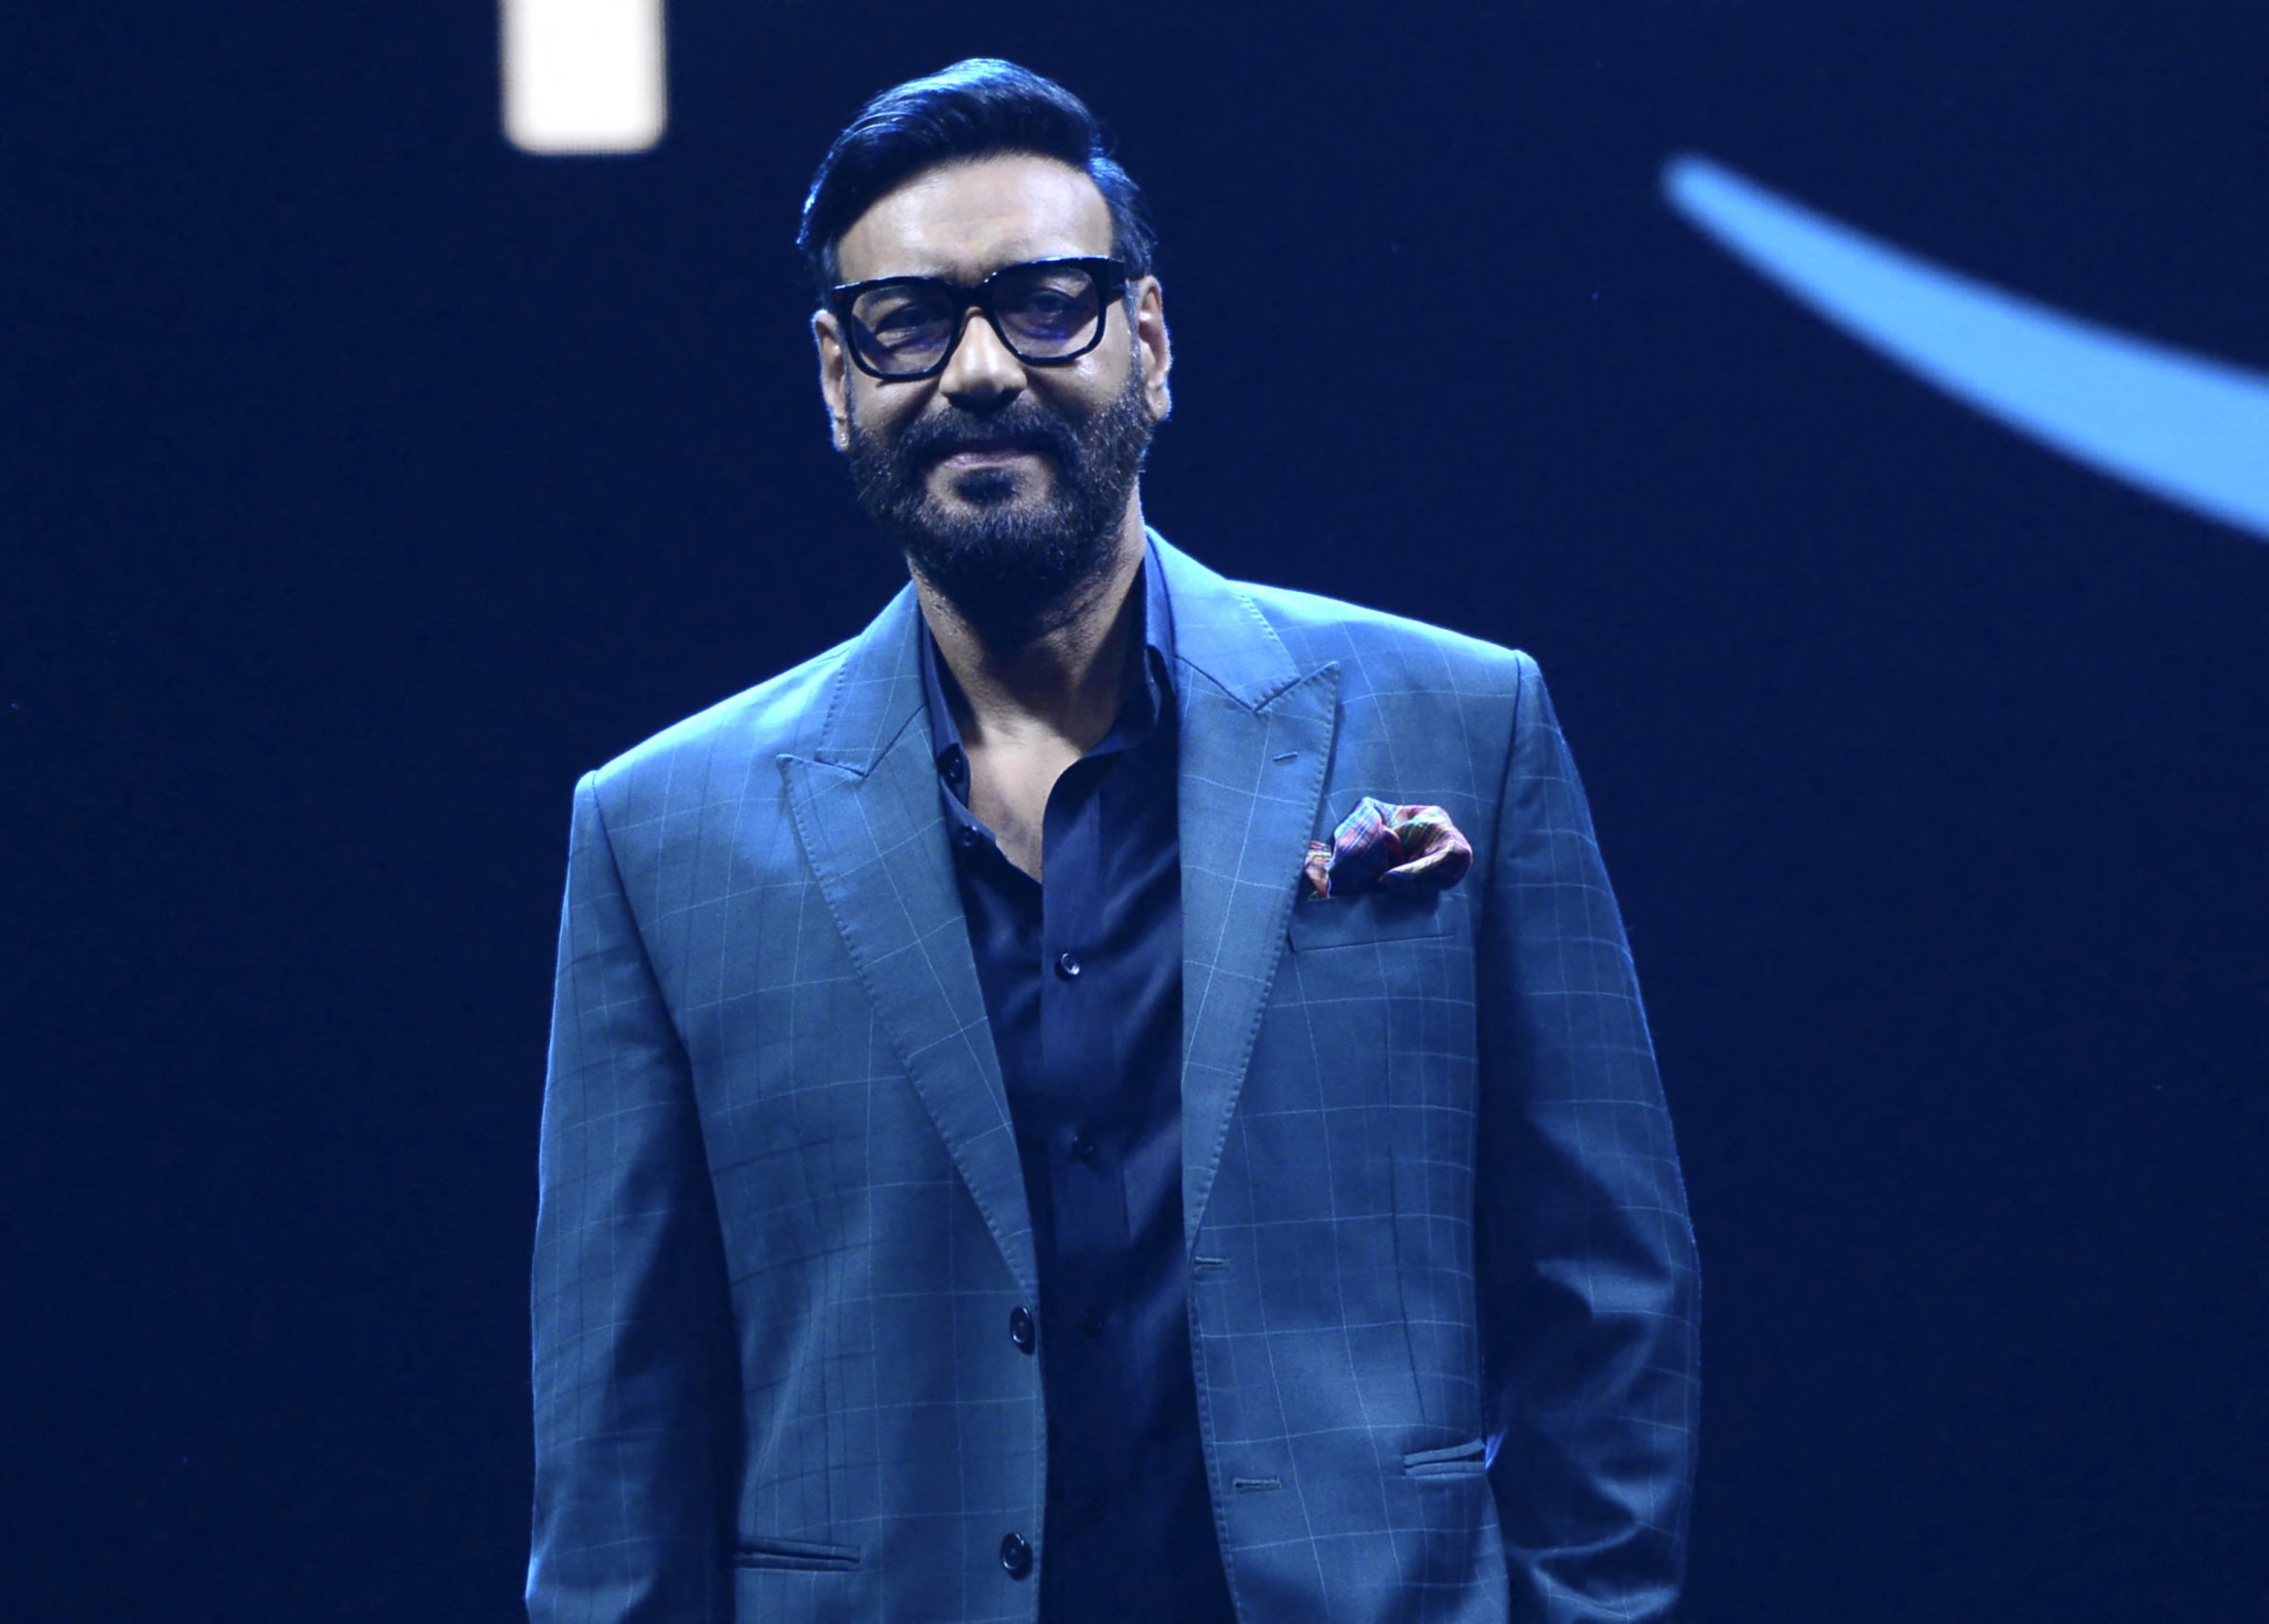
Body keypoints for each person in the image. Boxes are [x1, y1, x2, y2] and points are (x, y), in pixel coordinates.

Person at [528, 58, 1698, 1624]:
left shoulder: (1462, 724)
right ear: (836, 376)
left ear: (1148, 339)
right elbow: (619, 1429)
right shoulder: (659, 832)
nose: (979, 369)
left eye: (1045, 303)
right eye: (906, 321)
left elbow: (1608, 1282)